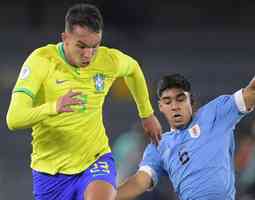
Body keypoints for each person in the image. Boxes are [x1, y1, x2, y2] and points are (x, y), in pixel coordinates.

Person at [6, 3, 161, 200]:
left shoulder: (108, 60)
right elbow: (14, 119)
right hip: (49, 173)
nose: (88, 54)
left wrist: (146, 114)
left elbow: (133, 69)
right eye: (81, 46)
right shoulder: (41, 61)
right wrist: (54, 107)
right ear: (65, 38)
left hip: (95, 160)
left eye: (95, 46)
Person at [116, 43, 255, 200]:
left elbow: (254, 91)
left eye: (180, 99)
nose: (175, 106)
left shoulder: (215, 113)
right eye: (168, 102)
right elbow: (140, 181)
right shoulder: (159, 145)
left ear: (191, 101)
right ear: (161, 107)